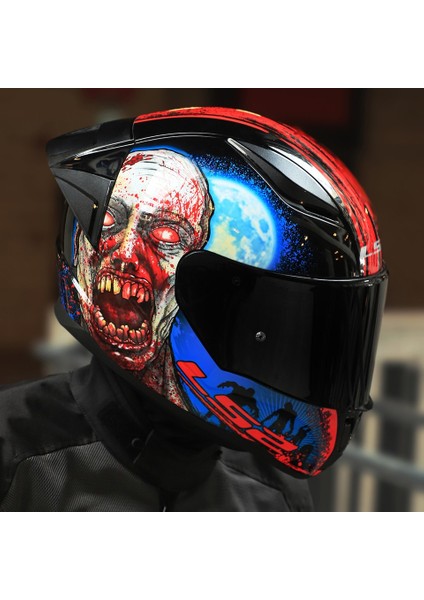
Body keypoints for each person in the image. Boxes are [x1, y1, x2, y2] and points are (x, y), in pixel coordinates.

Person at [0, 107, 388, 511]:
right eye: (112, 222)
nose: (127, 255)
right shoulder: (15, 457)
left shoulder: (271, 496)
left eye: (167, 237)